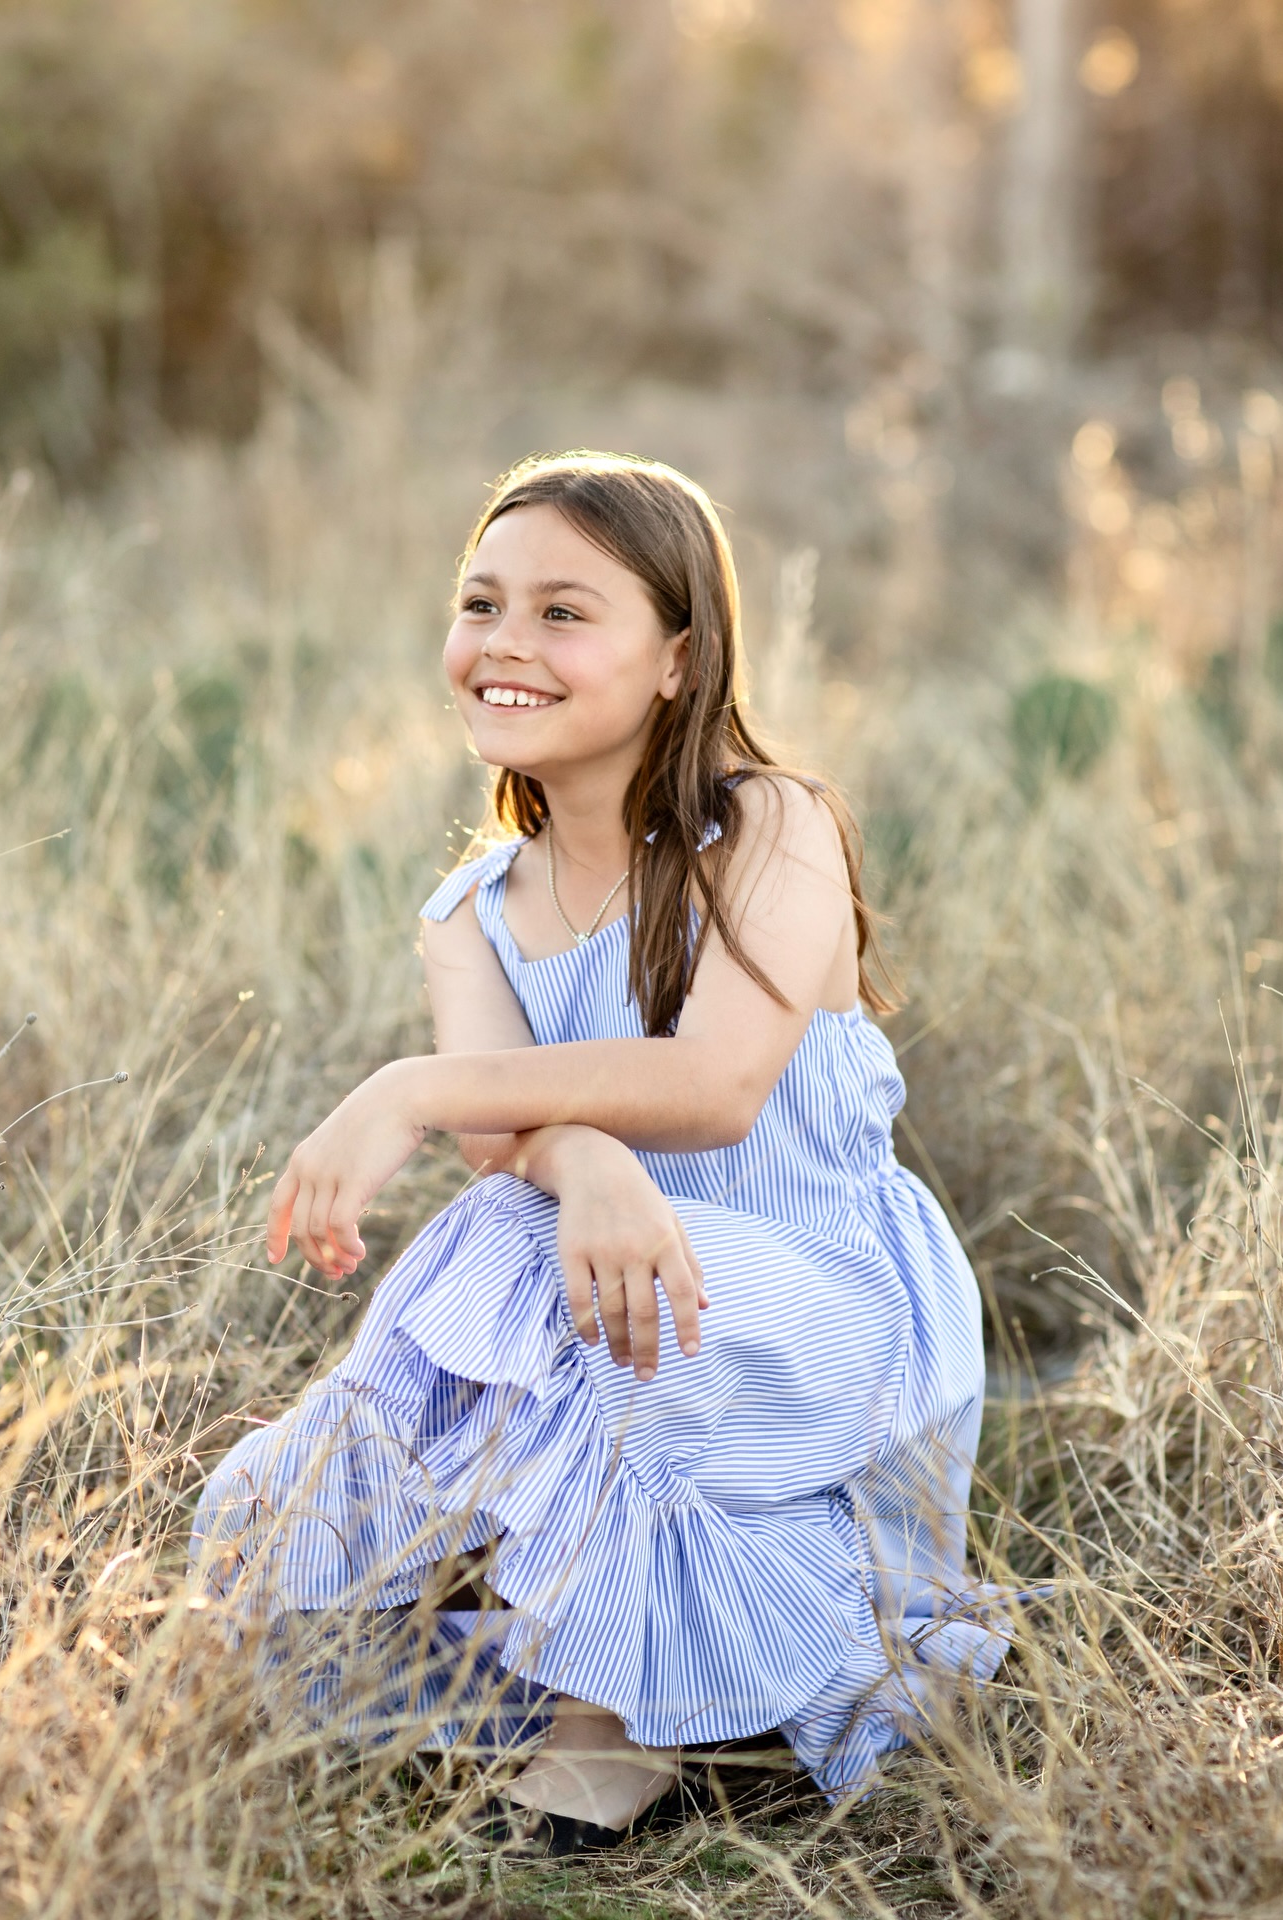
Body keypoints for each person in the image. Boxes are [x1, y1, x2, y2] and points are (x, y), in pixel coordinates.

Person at [190, 451, 1007, 1851]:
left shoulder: (766, 828)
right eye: (481, 602)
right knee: (506, 1255)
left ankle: (604, 1734)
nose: (505, 642)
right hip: (611, 1284)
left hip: (825, 1305)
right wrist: (596, 1165)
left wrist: (409, 1087)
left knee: (530, 1261)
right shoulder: (473, 905)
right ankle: (512, 1594)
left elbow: (717, 1085)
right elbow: (505, 1135)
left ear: (678, 656)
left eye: (566, 613)